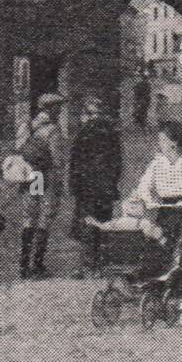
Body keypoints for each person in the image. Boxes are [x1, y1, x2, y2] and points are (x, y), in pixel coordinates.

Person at [132, 121, 182, 303]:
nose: (159, 143)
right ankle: (158, 294)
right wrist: (149, 200)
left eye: (162, 139)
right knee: (158, 248)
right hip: (165, 213)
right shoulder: (157, 164)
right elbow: (144, 185)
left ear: (173, 143)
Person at [68, 95, 123, 279]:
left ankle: (88, 265)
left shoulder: (84, 132)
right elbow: (117, 163)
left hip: (87, 188)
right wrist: (112, 182)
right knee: (103, 224)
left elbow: (75, 162)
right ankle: (101, 264)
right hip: (105, 187)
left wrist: (74, 186)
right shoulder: (111, 132)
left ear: (88, 114)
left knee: (87, 225)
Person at [18, 93, 67, 279]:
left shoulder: (27, 125)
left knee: (29, 217)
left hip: (32, 175)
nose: (59, 111)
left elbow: (19, 148)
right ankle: (37, 264)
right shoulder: (53, 130)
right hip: (46, 176)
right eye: (58, 108)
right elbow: (57, 160)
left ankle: (23, 265)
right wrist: (59, 182)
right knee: (45, 217)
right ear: (51, 109)